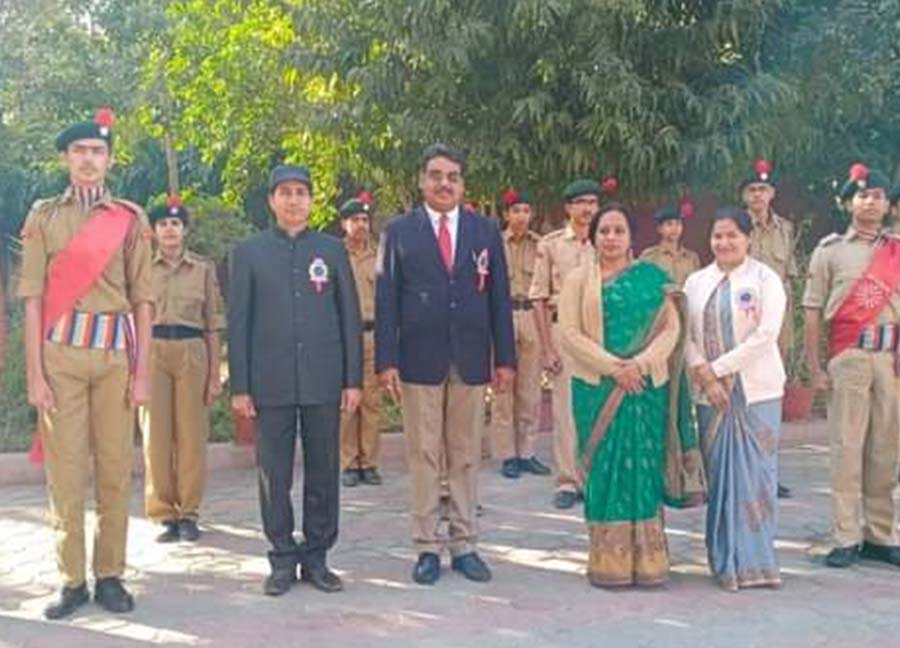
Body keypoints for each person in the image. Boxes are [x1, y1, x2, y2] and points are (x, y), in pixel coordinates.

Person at [17, 108, 154, 618]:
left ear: (110, 159)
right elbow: (32, 298)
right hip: (61, 357)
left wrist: (142, 373)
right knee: (66, 474)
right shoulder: (43, 217)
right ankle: (71, 580)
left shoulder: (130, 218)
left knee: (116, 471)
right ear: (66, 159)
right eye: (79, 151)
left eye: (97, 152)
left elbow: (144, 299)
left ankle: (111, 574)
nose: (89, 160)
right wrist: (35, 373)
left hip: (116, 358)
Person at [375, 143, 515, 585]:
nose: (444, 183)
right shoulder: (399, 232)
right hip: (419, 359)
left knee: (466, 455)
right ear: (422, 181)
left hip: (471, 359)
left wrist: (505, 358)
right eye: (436, 175)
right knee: (423, 454)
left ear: (462, 184)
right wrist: (387, 360)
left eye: (452, 176)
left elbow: (498, 298)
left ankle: (465, 543)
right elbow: (386, 300)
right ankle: (426, 547)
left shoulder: (484, 231)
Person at [228, 164, 363, 596]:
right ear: (271, 200)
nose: (293, 200)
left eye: (301, 193)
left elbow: (348, 318)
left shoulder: (331, 250)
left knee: (324, 471)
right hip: (271, 383)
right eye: (284, 193)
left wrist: (352, 380)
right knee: (275, 474)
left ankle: (319, 556)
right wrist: (241, 386)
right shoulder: (248, 252)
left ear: (311, 200)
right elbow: (239, 323)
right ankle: (283, 558)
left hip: (324, 380)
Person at [559, 203, 703, 588]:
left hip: (644, 387)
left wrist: (638, 365)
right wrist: (614, 368)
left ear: (630, 237)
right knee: (606, 468)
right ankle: (610, 562)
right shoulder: (577, 280)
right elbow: (569, 334)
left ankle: (649, 560)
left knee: (642, 466)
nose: (611, 238)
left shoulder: (652, 277)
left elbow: (672, 329)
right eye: (604, 231)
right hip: (597, 388)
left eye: (618, 231)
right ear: (593, 236)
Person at [803, 163, 900, 569]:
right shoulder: (830, 251)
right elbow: (811, 310)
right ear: (848, 203)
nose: (870, 202)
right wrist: (814, 365)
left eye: (877, 195)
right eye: (862, 195)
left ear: (888, 204)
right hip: (850, 357)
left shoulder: (896, 251)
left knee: (885, 448)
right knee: (846, 445)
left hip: (891, 359)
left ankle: (880, 534)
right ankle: (845, 534)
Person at [684, 206, 786, 591]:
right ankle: (724, 563)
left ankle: (758, 563)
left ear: (748, 239)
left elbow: (766, 334)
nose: (724, 242)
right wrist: (704, 375)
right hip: (709, 394)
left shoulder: (765, 279)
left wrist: (719, 369)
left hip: (756, 392)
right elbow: (686, 337)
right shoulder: (696, 282)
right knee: (721, 478)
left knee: (756, 478)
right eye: (717, 236)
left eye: (732, 235)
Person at [529, 178, 614, 509]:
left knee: (600, 406)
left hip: (601, 336)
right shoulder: (551, 245)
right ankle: (568, 481)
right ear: (568, 208)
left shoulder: (608, 242)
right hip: (563, 334)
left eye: (593, 202)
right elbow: (537, 297)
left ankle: (596, 478)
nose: (588, 209)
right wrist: (547, 348)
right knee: (566, 411)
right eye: (580, 202)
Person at [144, 195, 224, 543]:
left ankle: (189, 512)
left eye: (175, 224)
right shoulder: (143, 269)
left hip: (192, 351)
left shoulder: (202, 270)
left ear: (184, 229)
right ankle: (164, 513)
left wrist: (215, 374)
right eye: (163, 224)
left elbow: (213, 324)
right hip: (153, 351)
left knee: (192, 437)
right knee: (155, 437)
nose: (170, 229)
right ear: (154, 232)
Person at [741, 159, 797, 499]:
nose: (758, 195)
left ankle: (767, 471)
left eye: (762, 189)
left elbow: (788, 276)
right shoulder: (735, 227)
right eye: (752, 190)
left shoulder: (785, 229)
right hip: (745, 322)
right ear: (743, 196)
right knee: (742, 398)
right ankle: (743, 469)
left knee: (770, 396)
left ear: (772, 193)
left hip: (778, 324)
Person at [491, 188, 550, 479]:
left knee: (530, 389)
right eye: (516, 211)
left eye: (526, 211)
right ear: (506, 214)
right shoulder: (493, 244)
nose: (521, 216)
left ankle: (527, 452)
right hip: (502, 316)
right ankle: (507, 455)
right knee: (503, 388)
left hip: (531, 315)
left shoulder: (541, 246)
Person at [338, 192, 384, 488]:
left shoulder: (381, 254)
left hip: (374, 335)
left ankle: (369, 462)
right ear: (344, 223)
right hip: (344, 337)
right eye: (355, 220)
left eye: (365, 219)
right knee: (346, 402)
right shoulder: (333, 255)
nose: (361, 225)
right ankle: (348, 463)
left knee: (372, 402)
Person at [639, 200, 701, 286]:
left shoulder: (692, 258)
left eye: (678, 224)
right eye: (669, 224)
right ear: (659, 229)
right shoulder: (649, 256)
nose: (674, 228)